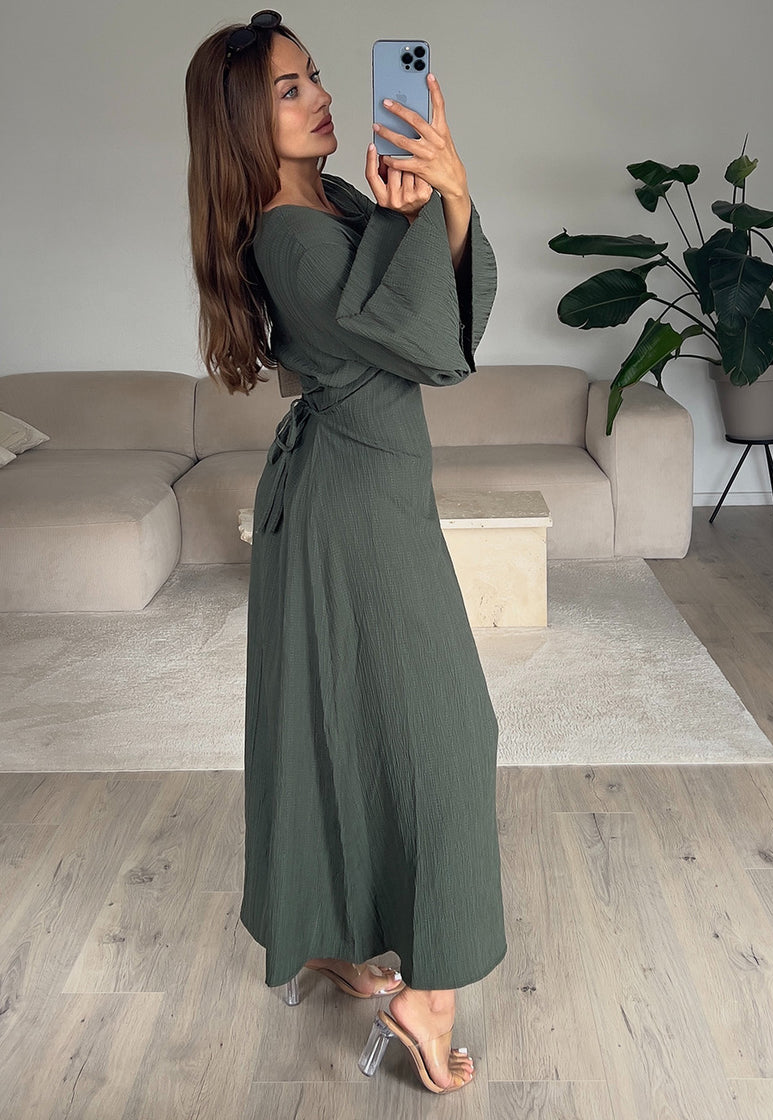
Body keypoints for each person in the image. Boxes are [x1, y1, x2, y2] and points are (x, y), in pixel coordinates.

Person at [184, 10, 506, 1094]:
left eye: (315, 76)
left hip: (363, 486)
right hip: (352, 502)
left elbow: (431, 325)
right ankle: (428, 999)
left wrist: (432, 204)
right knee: (450, 732)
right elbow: (428, 350)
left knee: (338, 719)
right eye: (289, 89)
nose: (319, 96)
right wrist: (448, 198)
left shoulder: (332, 199)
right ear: (243, 120)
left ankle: (320, 929)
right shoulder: (292, 232)